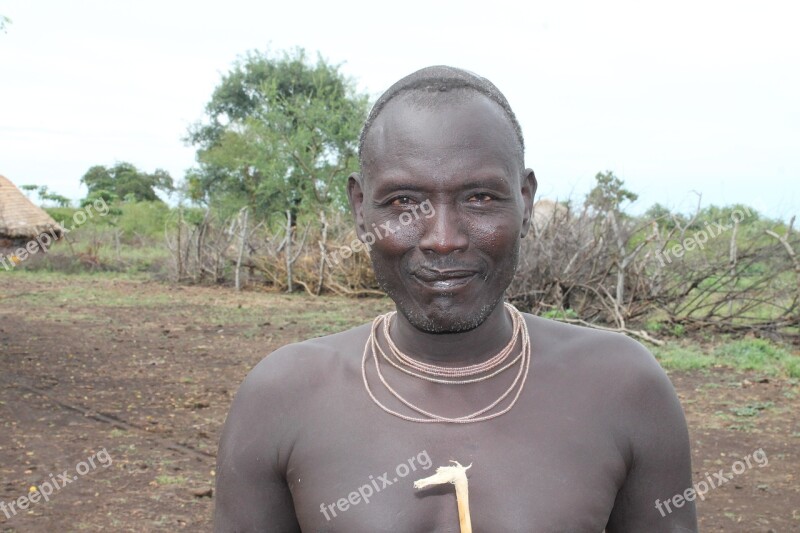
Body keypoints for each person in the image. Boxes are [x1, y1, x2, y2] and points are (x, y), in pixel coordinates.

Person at [214, 66, 697, 532]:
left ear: (525, 201)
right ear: (362, 209)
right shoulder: (281, 398)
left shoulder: (624, 388)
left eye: (480, 198)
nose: (443, 239)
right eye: (404, 201)